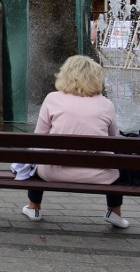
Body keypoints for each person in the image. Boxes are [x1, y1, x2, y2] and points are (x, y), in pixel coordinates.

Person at [21, 55, 129, 228]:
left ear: (65, 75)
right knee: (117, 165)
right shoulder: (106, 104)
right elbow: (113, 139)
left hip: (52, 172)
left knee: (37, 158)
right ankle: (115, 213)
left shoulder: (52, 98)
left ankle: (34, 207)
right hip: (99, 175)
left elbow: (38, 137)